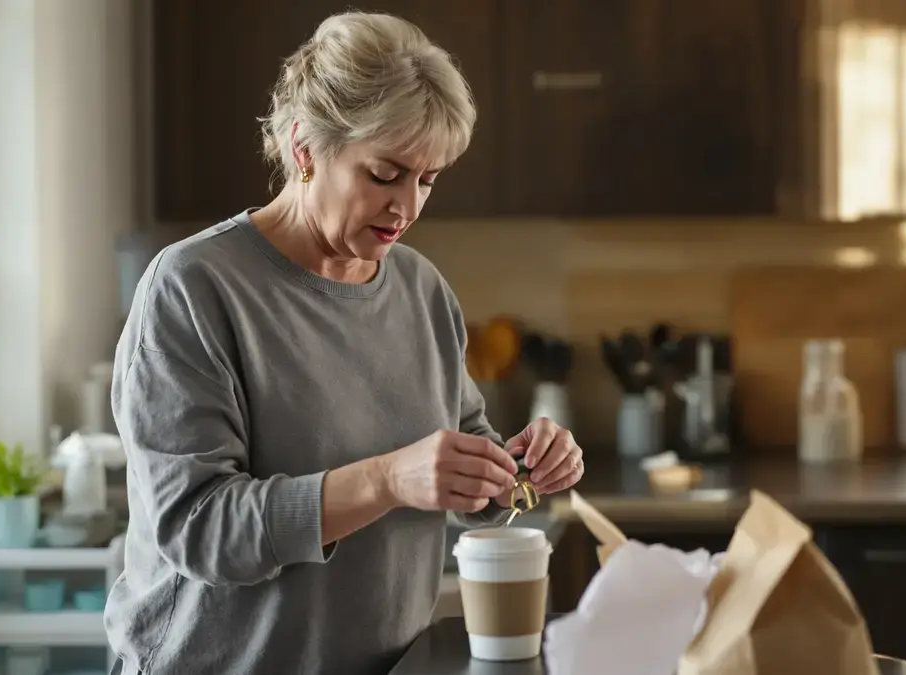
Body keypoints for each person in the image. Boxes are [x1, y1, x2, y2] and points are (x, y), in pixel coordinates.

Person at [105, 11, 585, 675]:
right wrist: (389, 478)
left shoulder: (420, 289)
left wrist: (512, 475)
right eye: (384, 175)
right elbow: (200, 527)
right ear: (305, 149)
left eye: (429, 179)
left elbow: (456, 466)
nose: (408, 207)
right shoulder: (195, 287)